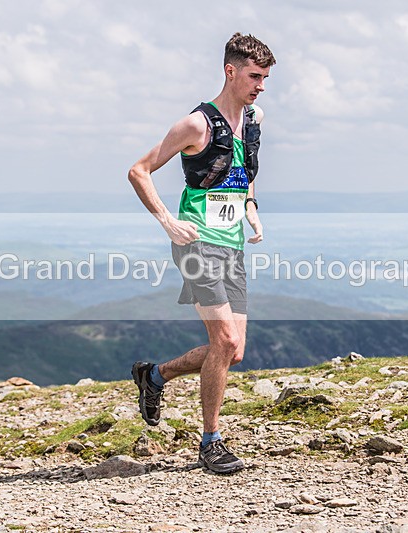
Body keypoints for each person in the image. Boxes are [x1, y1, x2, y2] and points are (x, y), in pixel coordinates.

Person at [127, 32, 275, 474]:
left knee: (232, 350)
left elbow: (242, 170)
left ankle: (154, 377)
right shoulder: (196, 125)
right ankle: (211, 442)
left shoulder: (253, 119)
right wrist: (167, 222)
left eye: (265, 77)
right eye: (254, 76)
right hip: (196, 243)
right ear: (230, 71)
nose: (261, 85)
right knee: (225, 340)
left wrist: (250, 209)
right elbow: (139, 171)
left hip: (231, 244)